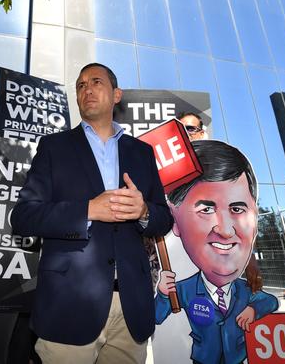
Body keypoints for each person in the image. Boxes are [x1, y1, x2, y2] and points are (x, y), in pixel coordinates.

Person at [11, 63, 173, 364]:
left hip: (131, 308)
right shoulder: (53, 147)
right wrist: (88, 210)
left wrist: (144, 211)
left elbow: (164, 218)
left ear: (116, 95)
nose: (87, 89)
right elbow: (23, 217)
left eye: (96, 82)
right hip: (68, 305)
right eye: (80, 85)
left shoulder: (142, 152)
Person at [155, 140, 278, 364]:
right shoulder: (184, 288)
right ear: (174, 219)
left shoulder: (245, 290)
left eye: (237, 209)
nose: (225, 229)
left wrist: (253, 308)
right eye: (207, 209)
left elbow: (270, 301)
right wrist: (163, 294)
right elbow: (156, 316)